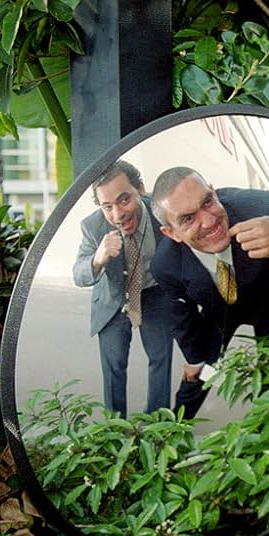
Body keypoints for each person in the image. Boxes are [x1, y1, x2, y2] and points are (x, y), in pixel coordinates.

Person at [149, 167, 269, 419]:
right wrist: (194, 359)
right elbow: (182, 315)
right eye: (188, 219)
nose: (209, 221)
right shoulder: (165, 265)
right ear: (171, 233)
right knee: (201, 373)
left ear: (214, 191)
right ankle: (174, 426)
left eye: (207, 202)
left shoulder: (255, 206)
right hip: (220, 312)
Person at [72, 160, 173, 417]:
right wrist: (98, 258)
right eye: (107, 206)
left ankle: (158, 422)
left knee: (161, 357)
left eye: (124, 200)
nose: (117, 215)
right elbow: (78, 274)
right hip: (113, 298)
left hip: (154, 291)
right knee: (114, 366)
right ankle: (115, 427)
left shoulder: (162, 210)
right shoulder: (92, 226)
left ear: (140, 189)